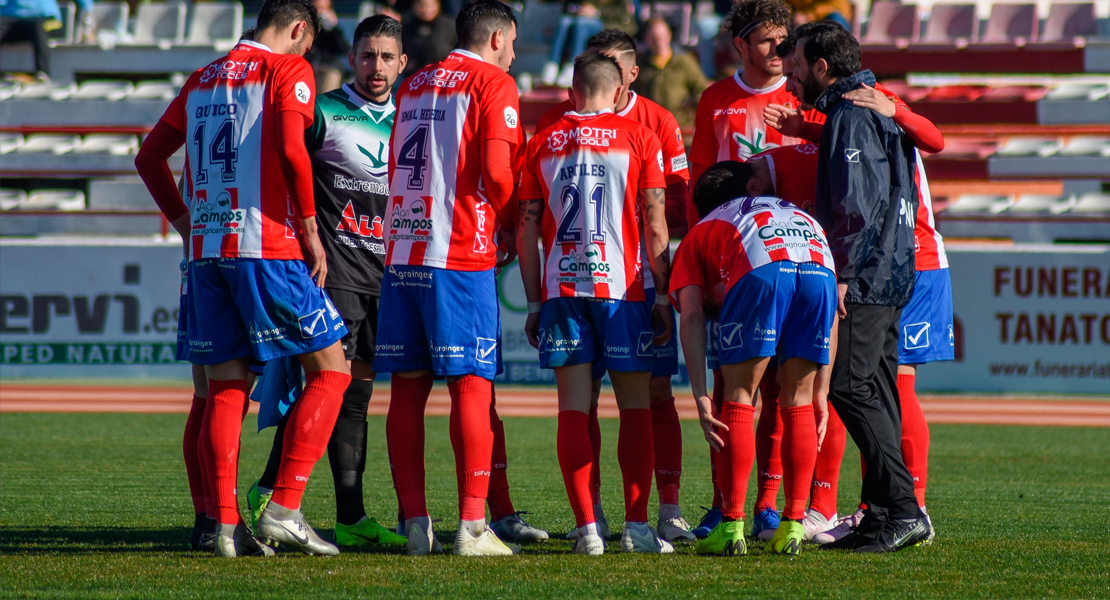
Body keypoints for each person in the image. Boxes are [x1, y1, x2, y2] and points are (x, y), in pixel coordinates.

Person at [135, 0, 353, 558]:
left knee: (221, 389)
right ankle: (284, 506)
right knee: (333, 370)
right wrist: (308, 225)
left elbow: (149, 157)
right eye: (308, 43)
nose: (307, 53)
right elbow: (288, 147)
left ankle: (221, 525)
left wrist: (185, 224)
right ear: (299, 29)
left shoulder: (204, 76)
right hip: (266, 247)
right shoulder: (286, 69)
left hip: (208, 252)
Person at [764, 28, 947, 546]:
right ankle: (883, 513)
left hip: (868, 272)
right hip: (893, 267)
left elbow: (858, 207)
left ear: (822, 66)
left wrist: (843, 276)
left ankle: (904, 510)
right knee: (879, 389)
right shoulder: (872, 105)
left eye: (796, 63)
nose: (790, 73)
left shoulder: (851, 111)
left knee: (848, 385)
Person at [242, 14, 409, 550]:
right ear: (353, 57)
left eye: (386, 56)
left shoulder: (410, 118)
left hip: (386, 277)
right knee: (314, 389)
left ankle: (351, 516)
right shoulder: (325, 110)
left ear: (403, 62)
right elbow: (285, 164)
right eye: (367, 55)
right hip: (331, 275)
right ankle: (270, 492)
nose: (376, 66)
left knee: (354, 399)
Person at [534, 28, 695, 543]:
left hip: (562, 289)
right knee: (636, 405)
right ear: (619, 83)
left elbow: (524, 223)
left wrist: (535, 298)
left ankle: (587, 528)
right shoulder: (640, 136)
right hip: (625, 288)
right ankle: (637, 526)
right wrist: (666, 293)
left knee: (573, 409)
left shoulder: (543, 138)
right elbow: (656, 221)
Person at [377, 0, 522, 557]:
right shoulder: (492, 83)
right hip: (458, 251)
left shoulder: (413, 84)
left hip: (404, 252)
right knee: (471, 384)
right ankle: (472, 526)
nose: (512, 52)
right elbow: (497, 173)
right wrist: (510, 225)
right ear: (497, 38)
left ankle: (416, 521)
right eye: (510, 42)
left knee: (406, 392)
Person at [687, 0, 825, 540]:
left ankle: (771, 503)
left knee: (786, 390)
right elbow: (701, 185)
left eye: (784, 41)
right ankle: (727, 502)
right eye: (767, 42)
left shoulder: (804, 97)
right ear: (740, 45)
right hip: (735, 257)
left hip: (801, 256)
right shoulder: (715, 99)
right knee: (733, 384)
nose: (779, 52)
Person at [670, 163, 836, 556]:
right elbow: (835, 315)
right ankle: (793, 525)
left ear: (703, 207)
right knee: (798, 401)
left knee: (740, 397)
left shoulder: (701, 230)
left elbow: (691, 314)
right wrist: (823, 390)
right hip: (820, 265)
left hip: (761, 269)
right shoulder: (791, 209)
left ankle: (731, 525)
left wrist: (699, 395)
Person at [631, 17, 709, 131]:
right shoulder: (640, 65)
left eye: (662, 37)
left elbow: (702, 91)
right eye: (654, 38)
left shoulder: (684, 62)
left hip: (681, 131)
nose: (659, 42)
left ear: (669, 36)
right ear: (647, 38)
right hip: (650, 131)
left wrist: (689, 108)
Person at [541, 0, 638, 87]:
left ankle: (573, 65)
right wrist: (581, 11)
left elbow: (625, 21)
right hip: (586, 25)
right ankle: (552, 64)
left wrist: (597, 13)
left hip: (607, 26)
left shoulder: (621, 3)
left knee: (582, 23)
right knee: (565, 21)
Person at [1, 0, 91, 79]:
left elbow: (85, 4)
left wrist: (87, 9)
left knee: (38, 27)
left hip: (45, 16)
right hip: (13, 18)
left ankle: (43, 73)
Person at [400, 0, 457, 79]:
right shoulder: (407, 25)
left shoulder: (450, 26)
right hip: (413, 76)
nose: (426, 9)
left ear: (438, 5)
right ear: (414, 6)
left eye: (430, 6)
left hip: (443, 75)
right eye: (421, 5)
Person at [305, 0, 351, 94]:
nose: (322, 13)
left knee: (333, 72)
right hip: (307, 67)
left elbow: (343, 49)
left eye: (325, 9)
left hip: (325, 67)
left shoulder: (330, 29)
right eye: (319, 9)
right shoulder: (303, 26)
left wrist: (332, 29)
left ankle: (324, 106)